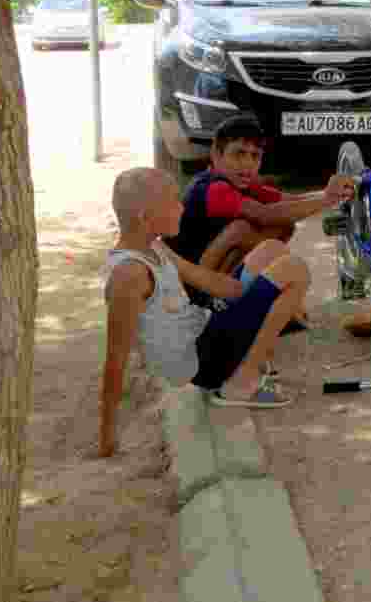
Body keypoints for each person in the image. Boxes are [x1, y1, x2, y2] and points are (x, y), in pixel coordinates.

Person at [99, 167, 310, 458]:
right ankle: (241, 382)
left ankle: (248, 354)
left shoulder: (155, 247)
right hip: (202, 362)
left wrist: (251, 292)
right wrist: (106, 436)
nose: (181, 207)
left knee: (270, 250)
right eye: (173, 201)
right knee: (295, 270)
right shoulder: (129, 275)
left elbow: (205, 280)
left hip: (206, 329)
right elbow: (115, 359)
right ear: (145, 217)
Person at [165, 118, 354, 319]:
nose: (247, 164)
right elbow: (265, 215)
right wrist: (326, 199)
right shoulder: (214, 188)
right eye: (239, 154)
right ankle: (211, 299)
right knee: (242, 229)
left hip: (208, 268)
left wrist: (329, 194)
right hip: (185, 283)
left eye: (255, 156)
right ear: (216, 155)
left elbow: (288, 201)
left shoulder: (239, 181)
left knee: (284, 225)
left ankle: (238, 290)